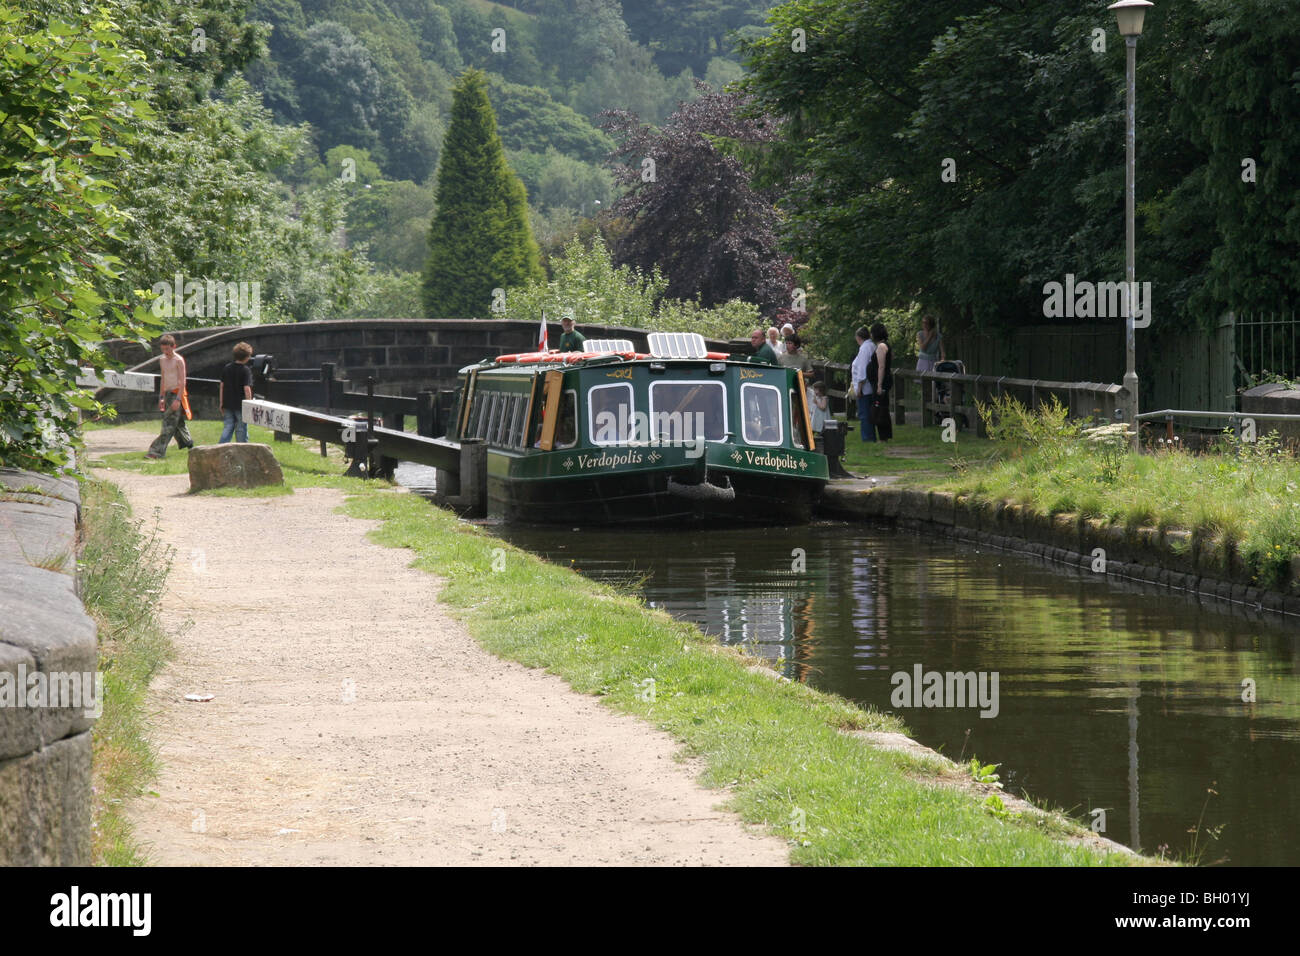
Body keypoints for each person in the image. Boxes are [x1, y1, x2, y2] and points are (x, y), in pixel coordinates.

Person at [145, 334, 192, 459]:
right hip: (167, 393)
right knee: (176, 422)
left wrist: (178, 399)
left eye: (167, 349)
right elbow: (163, 379)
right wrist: (161, 397)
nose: (165, 352)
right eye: (163, 349)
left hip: (177, 393)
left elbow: (183, 381)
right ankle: (188, 442)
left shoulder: (178, 360)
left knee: (168, 424)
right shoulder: (162, 360)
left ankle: (156, 451)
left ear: (173, 347)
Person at [218, 342, 255, 443]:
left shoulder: (227, 368)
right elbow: (247, 388)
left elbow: (222, 386)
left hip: (228, 403)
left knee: (228, 426)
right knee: (241, 428)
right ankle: (242, 447)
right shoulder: (245, 370)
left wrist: (221, 403)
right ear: (246, 357)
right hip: (240, 405)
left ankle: (221, 446)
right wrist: (249, 404)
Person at [867, 321, 894, 442]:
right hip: (881, 381)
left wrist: (879, 384)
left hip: (880, 382)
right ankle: (884, 435)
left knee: (880, 408)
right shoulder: (884, 345)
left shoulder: (881, 347)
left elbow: (881, 366)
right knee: (881, 406)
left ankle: (883, 436)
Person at [849, 325, 875, 442]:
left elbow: (862, 369)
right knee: (869, 413)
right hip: (869, 386)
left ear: (858, 337)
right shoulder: (871, 346)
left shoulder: (864, 348)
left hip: (865, 387)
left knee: (864, 414)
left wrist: (859, 387)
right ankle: (870, 436)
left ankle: (867, 438)